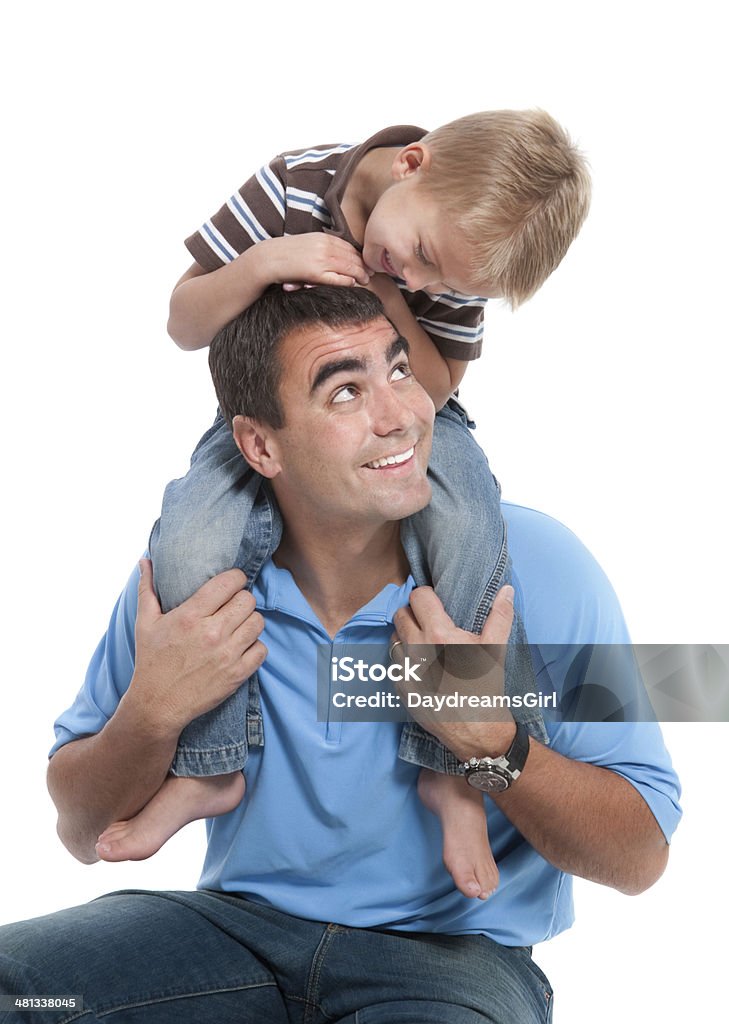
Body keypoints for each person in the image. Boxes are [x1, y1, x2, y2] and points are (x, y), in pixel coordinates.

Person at [0, 287, 681, 1023]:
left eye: (399, 371)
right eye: (345, 392)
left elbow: (639, 859)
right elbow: (79, 830)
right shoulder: (195, 586)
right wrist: (151, 713)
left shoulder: (535, 566)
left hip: (448, 967)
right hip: (232, 936)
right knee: (26, 993)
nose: (399, 418)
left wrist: (492, 744)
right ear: (261, 445)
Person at [112, 111, 592, 897]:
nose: (422, 282)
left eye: (446, 287)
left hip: (413, 413)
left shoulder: (433, 273)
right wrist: (266, 263)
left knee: (471, 525)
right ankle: (211, 766)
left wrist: (383, 291)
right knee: (190, 546)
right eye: (425, 258)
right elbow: (183, 322)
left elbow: (431, 389)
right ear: (410, 163)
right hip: (275, 415)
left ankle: (453, 774)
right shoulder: (293, 186)